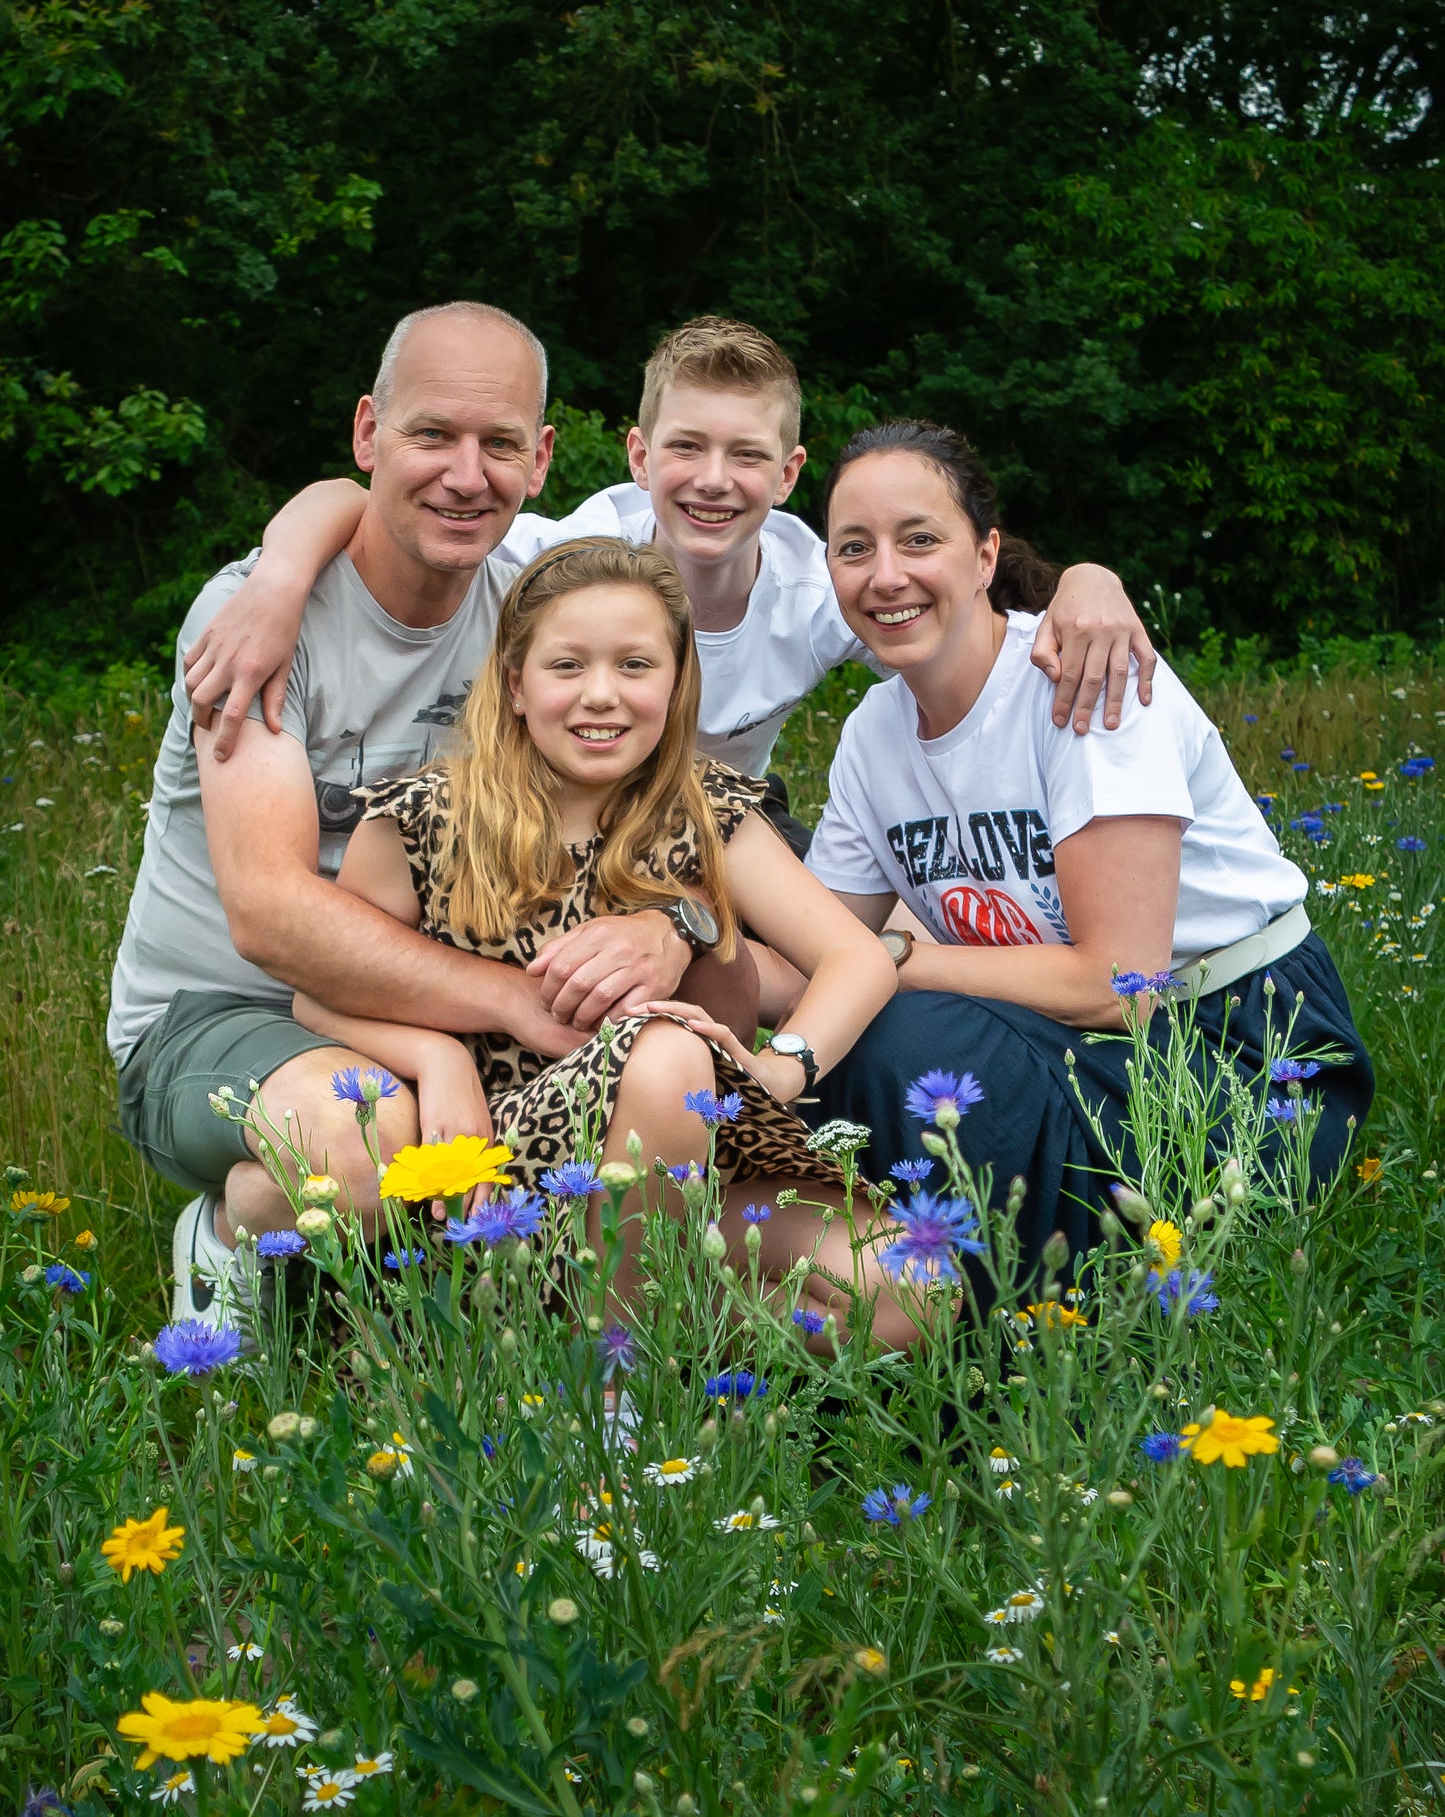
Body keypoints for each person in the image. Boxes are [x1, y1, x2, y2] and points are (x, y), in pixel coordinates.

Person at [109, 302, 738, 1324]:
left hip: (439, 1010)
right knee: (366, 1134)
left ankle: (573, 1366)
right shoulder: (261, 620)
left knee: (666, 1065)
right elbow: (269, 916)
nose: (464, 472)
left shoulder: (527, 623)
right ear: (367, 435)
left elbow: (668, 807)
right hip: (219, 1016)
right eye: (430, 433)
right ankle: (228, 1234)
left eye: (497, 444)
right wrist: (491, 1010)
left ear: (539, 462)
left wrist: (669, 925)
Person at [183, 318, 1159, 845]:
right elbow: (358, 505)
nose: (710, 479)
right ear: (638, 455)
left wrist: (1086, 580)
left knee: (816, 931)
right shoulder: (561, 554)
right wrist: (274, 581)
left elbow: (965, 616)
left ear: (784, 478)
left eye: (745, 455)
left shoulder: (816, 589)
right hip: (565, 813)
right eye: (684, 446)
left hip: (723, 816)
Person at [292, 535, 905, 1335]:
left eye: (635, 665)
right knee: (669, 1050)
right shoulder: (422, 819)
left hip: (689, 1165)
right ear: (515, 684)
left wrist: (780, 1072)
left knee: (906, 1283)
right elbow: (317, 993)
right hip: (503, 1171)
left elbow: (857, 957)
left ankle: (658, 1355)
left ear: (678, 680)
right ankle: (613, 1392)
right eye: (567, 666)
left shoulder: (706, 809)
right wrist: (432, 1056)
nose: (601, 695)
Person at [800, 419, 1374, 1269]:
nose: (886, 575)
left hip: (1246, 1048)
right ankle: (883, 1289)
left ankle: (991, 1313)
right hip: (1073, 1038)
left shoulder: (1084, 678)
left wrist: (884, 959)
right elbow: (810, 950)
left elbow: (1120, 986)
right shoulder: (870, 734)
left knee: (898, 1032)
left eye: (919, 539)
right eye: (854, 548)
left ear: (985, 555)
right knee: (827, 1046)